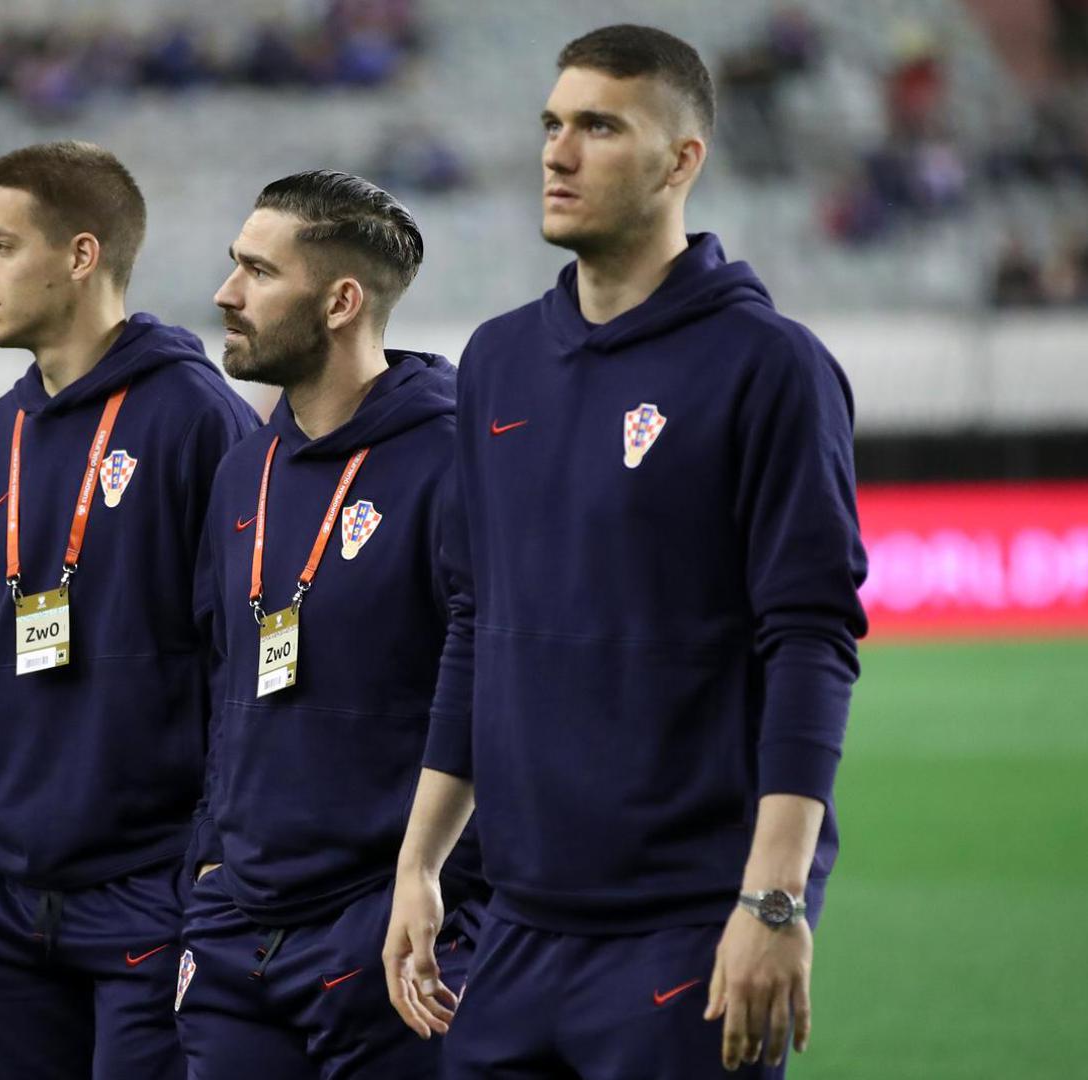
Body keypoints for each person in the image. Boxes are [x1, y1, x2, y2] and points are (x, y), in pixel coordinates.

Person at [380, 25, 868, 1078]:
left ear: (679, 160)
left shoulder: (769, 368)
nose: (557, 152)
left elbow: (810, 638)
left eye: (598, 126)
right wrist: (419, 862)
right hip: (509, 931)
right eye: (552, 123)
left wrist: (774, 900)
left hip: (684, 935)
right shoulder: (498, 361)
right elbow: (475, 618)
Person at [0, 140, 259, 1080]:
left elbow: (238, 667)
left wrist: (200, 869)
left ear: (81, 256)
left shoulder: (200, 422)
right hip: (1, 903)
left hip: (148, 899)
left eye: (1, 243)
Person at [175, 170, 487, 1078]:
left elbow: (485, 683)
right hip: (235, 933)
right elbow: (225, 677)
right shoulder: (244, 471)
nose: (227, 294)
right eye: (236, 266)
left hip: (387, 931)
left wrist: (434, 886)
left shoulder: (452, 459)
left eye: (259, 273)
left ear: (342, 301)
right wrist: (208, 866)